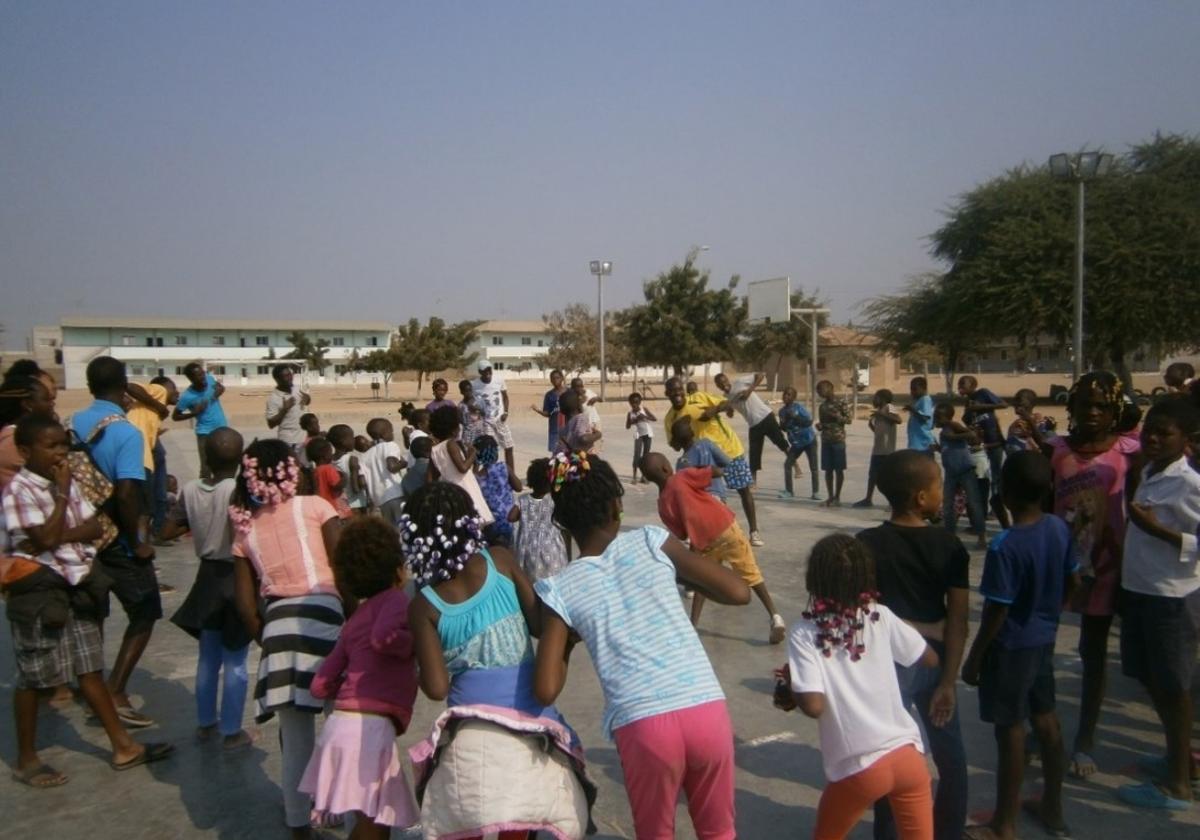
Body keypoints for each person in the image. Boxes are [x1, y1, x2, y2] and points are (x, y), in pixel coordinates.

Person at [534, 453, 750, 840]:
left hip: (643, 725)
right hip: (705, 707)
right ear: (617, 506)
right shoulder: (652, 542)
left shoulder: (560, 590)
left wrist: (569, 637)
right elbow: (737, 592)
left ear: (563, 522)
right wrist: (675, 578)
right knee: (719, 832)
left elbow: (546, 688)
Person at [404, 482, 591, 839]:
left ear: (418, 540)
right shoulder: (500, 560)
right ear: (470, 522)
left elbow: (436, 687)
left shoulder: (423, 605)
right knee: (520, 820)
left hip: (470, 721)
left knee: (468, 817)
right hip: (531, 715)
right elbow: (538, 624)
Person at [776, 534, 938, 840]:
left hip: (860, 766)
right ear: (866, 578)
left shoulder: (804, 633)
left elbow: (813, 705)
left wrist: (792, 685)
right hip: (908, 757)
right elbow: (928, 658)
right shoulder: (880, 616)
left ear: (814, 581)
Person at [230, 439, 347, 840]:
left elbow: (246, 608)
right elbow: (343, 568)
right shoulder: (317, 508)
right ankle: (342, 810)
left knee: (295, 738)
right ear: (292, 470)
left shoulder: (246, 530)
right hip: (327, 622)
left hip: (277, 630)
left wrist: (269, 640)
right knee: (341, 725)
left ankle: (298, 823)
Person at [961, 451, 1078, 839]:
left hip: (1011, 646)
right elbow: (1072, 581)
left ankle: (1004, 823)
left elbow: (997, 610)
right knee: (1046, 720)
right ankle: (1054, 807)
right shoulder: (1059, 528)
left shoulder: (1005, 546)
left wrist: (975, 656)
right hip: (1044, 638)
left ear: (1005, 493)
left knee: (1009, 730)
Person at [1028, 371, 1140, 779]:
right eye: (1084, 404)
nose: (1092, 412)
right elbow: (1039, 502)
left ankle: (1085, 739)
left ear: (1114, 412)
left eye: (1102, 406)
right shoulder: (1055, 450)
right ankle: (1042, 727)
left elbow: (1138, 505)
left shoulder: (1130, 452)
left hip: (1106, 565)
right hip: (1057, 562)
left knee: (1093, 654)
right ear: (1070, 408)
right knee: (1040, 649)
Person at [857, 450, 970, 840]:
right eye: (938, 484)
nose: (943, 491)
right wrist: (949, 682)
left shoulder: (866, 544)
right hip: (935, 662)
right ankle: (949, 832)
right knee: (951, 759)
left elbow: (862, 613)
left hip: (888, 669)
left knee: (890, 757)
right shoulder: (949, 546)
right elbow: (957, 620)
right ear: (921, 498)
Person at [299, 517, 420, 839]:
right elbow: (383, 638)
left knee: (372, 821)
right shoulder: (396, 600)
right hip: (370, 731)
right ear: (397, 567)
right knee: (375, 826)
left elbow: (319, 685)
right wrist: (414, 646)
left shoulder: (352, 622)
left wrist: (346, 686)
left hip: (341, 725)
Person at [1115, 399, 1200, 810]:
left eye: (1165, 433)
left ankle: (1178, 784)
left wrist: (1161, 531)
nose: (1152, 438)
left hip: (1171, 596)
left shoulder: (1190, 485)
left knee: (1173, 685)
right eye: (1150, 429)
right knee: (1146, 675)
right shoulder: (1149, 471)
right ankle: (1176, 756)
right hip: (1140, 589)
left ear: (1186, 440)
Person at [71, 356, 159, 727]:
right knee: (145, 610)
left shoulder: (72, 423)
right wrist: (138, 543)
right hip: (116, 541)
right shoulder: (125, 432)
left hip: (80, 534)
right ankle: (116, 690)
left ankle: (89, 685)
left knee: (92, 613)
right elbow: (127, 493)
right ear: (123, 385)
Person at [163, 427, 253, 750]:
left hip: (207, 577)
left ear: (207, 457)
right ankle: (232, 730)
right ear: (242, 459)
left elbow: (170, 528)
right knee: (236, 660)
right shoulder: (238, 491)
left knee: (207, 657)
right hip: (236, 574)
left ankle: (205, 723)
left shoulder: (190, 490)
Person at [642, 451, 786, 644]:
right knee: (751, 574)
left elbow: (682, 533)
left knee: (703, 581)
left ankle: (692, 626)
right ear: (666, 468)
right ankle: (775, 616)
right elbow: (711, 473)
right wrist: (725, 470)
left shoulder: (662, 504)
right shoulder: (682, 477)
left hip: (703, 542)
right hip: (726, 527)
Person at [664, 376, 764, 546]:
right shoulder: (670, 419)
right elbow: (674, 445)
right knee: (709, 498)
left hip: (729, 450)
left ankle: (754, 532)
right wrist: (678, 434)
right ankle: (709, 534)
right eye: (673, 391)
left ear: (683, 389)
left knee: (743, 490)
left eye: (679, 389)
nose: (677, 393)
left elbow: (725, 403)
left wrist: (715, 410)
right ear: (667, 394)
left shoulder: (699, 398)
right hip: (704, 459)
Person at [715, 372, 790, 486]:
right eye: (720, 384)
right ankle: (753, 481)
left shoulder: (740, 382)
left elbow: (760, 375)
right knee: (754, 453)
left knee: (781, 442)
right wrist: (729, 410)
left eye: (724, 381)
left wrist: (749, 391)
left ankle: (796, 466)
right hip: (753, 424)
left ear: (728, 379)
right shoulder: (726, 398)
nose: (724, 384)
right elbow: (730, 414)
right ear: (718, 386)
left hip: (766, 416)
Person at [124, 377, 175, 544]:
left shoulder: (149, 410)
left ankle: (153, 535)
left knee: (149, 505)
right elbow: (130, 386)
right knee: (144, 511)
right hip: (140, 457)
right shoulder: (160, 392)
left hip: (145, 454)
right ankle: (140, 547)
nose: (178, 393)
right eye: (175, 389)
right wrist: (159, 404)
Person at [958, 375, 1011, 528]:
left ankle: (997, 509)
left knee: (996, 478)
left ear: (973, 385)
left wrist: (979, 407)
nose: (960, 386)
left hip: (995, 442)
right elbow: (968, 419)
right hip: (980, 447)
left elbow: (1003, 405)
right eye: (959, 384)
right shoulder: (968, 402)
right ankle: (982, 511)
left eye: (964, 383)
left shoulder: (983, 393)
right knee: (982, 479)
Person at [933, 402, 987, 549]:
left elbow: (971, 435)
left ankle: (981, 536)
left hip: (965, 470)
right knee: (947, 505)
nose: (936, 420)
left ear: (947, 417)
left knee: (974, 503)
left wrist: (952, 437)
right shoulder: (944, 431)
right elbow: (948, 449)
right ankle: (950, 534)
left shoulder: (952, 426)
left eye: (939, 418)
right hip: (951, 472)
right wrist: (938, 448)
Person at [427, 405, 493, 525]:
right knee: (475, 522)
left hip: (450, 492)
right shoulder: (451, 444)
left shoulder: (434, 450)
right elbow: (462, 468)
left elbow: (430, 479)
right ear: (453, 430)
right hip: (464, 489)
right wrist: (472, 455)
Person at [513, 457, 570, 582]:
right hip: (552, 550)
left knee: (530, 585)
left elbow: (511, 517)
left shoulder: (523, 500)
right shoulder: (555, 501)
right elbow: (564, 529)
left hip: (528, 551)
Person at [0, 374, 57, 492]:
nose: (52, 404)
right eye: (46, 399)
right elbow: (55, 475)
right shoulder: (13, 441)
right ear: (28, 405)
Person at [172, 361, 227, 481]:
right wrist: (193, 413)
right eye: (199, 375)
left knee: (224, 462)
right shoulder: (187, 396)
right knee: (206, 467)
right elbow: (175, 416)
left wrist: (219, 392)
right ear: (191, 379)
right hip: (205, 433)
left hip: (222, 428)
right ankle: (204, 494)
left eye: (203, 373)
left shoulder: (209, 379)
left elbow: (221, 387)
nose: (203, 377)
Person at [855, 389, 902, 508]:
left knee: (888, 477)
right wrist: (871, 425)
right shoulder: (880, 411)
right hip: (878, 449)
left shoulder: (889, 407)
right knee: (872, 475)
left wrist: (881, 415)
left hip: (887, 450)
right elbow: (880, 431)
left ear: (883, 398)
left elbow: (898, 420)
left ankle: (893, 502)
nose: (874, 400)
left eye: (876, 397)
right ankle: (868, 499)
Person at [473, 434, 520, 547]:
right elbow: (519, 487)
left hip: (490, 524)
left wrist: (475, 464)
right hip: (509, 520)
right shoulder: (504, 467)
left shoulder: (477, 478)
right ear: (496, 452)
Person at [670, 416, 731, 500]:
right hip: (717, 495)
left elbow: (684, 488)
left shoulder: (681, 463)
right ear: (693, 433)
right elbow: (727, 462)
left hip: (699, 500)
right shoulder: (706, 444)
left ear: (676, 441)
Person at [360, 418, 407, 524]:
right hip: (395, 493)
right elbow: (392, 466)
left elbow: (362, 482)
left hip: (380, 500)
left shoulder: (364, 456)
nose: (392, 434)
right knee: (404, 528)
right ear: (384, 433)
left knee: (392, 530)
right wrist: (404, 463)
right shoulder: (390, 445)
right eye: (391, 431)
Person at [473, 362, 515, 473]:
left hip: (500, 419)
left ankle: (511, 474)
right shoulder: (475, 385)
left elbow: (505, 397)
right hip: (486, 422)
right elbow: (472, 402)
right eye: (485, 371)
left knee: (509, 446)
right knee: (489, 449)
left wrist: (505, 412)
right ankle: (487, 475)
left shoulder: (499, 380)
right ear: (480, 372)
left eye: (489, 370)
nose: (488, 373)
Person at [778, 385, 819, 500]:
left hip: (809, 440)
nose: (785, 396)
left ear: (794, 397)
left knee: (813, 467)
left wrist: (796, 417)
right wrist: (783, 423)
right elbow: (784, 427)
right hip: (796, 443)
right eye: (784, 394)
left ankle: (815, 492)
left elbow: (808, 422)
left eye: (789, 394)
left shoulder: (799, 408)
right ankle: (789, 491)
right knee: (787, 465)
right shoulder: (781, 411)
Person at [816, 380, 851, 507]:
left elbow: (849, 420)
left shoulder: (841, 403)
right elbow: (823, 423)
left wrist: (837, 416)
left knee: (839, 469)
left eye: (820, 389)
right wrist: (820, 426)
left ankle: (838, 496)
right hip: (826, 440)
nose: (819, 393)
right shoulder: (822, 406)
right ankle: (830, 496)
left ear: (829, 388)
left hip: (838, 440)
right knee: (828, 470)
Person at [266, 364, 312, 457]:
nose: (290, 378)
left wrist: (307, 398)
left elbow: (307, 400)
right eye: (286, 376)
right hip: (288, 442)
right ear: (277, 380)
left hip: (303, 439)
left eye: (290, 374)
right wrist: (284, 409)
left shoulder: (296, 389)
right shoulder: (273, 398)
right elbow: (271, 424)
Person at [328, 424, 369, 518]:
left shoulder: (330, 461)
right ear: (343, 441)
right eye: (351, 437)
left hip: (341, 505)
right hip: (357, 505)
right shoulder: (352, 459)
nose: (354, 440)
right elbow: (356, 487)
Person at [307, 436, 351, 520]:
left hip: (323, 507)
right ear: (324, 455)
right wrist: (345, 477)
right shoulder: (328, 468)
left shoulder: (314, 471)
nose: (332, 455)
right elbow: (336, 486)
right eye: (330, 452)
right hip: (336, 507)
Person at [1005, 389, 1056, 454]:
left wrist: (1029, 419)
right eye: (1015, 400)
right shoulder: (1015, 425)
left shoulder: (1039, 420)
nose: (1016, 403)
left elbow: (1042, 442)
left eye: (1020, 400)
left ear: (1031, 404)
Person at [529, 369, 567, 454]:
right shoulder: (549, 395)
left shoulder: (569, 392)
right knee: (556, 454)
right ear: (550, 380)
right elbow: (547, 413)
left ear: (562, 378)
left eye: (557, 378)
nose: (555, 380)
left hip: (568, 427)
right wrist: (537, 410)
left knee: (569, 453)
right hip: (554, 428)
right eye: (553, 378)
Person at [556, 389, 601, 454]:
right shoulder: (581, 418)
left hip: (569, 457)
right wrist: (598, 435)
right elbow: (583, 438)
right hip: (582, 458)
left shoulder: (566, 423)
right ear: (578, 405)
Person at [625, 391, 657, 483]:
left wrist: (645, 416)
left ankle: (644, 476)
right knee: (637, 455)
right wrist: (634, 420)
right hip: (639, 434)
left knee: (646, 455)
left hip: (648, 433)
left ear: (640, 402)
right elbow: (627, 426)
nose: (634, 405)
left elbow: (654, 419)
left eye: (636, 402)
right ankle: (634, 477)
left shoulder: (644, 409)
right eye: (632, 403)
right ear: (630, 403)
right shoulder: (630, 413)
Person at [904, 376, 935, 457]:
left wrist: (912, 410)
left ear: (923, 388)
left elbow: (925, 417)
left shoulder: (925, 400)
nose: (912, 392)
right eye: (911, 389)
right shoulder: (919, 401)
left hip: (923, 443)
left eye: (915, 389)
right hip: (916, 442)